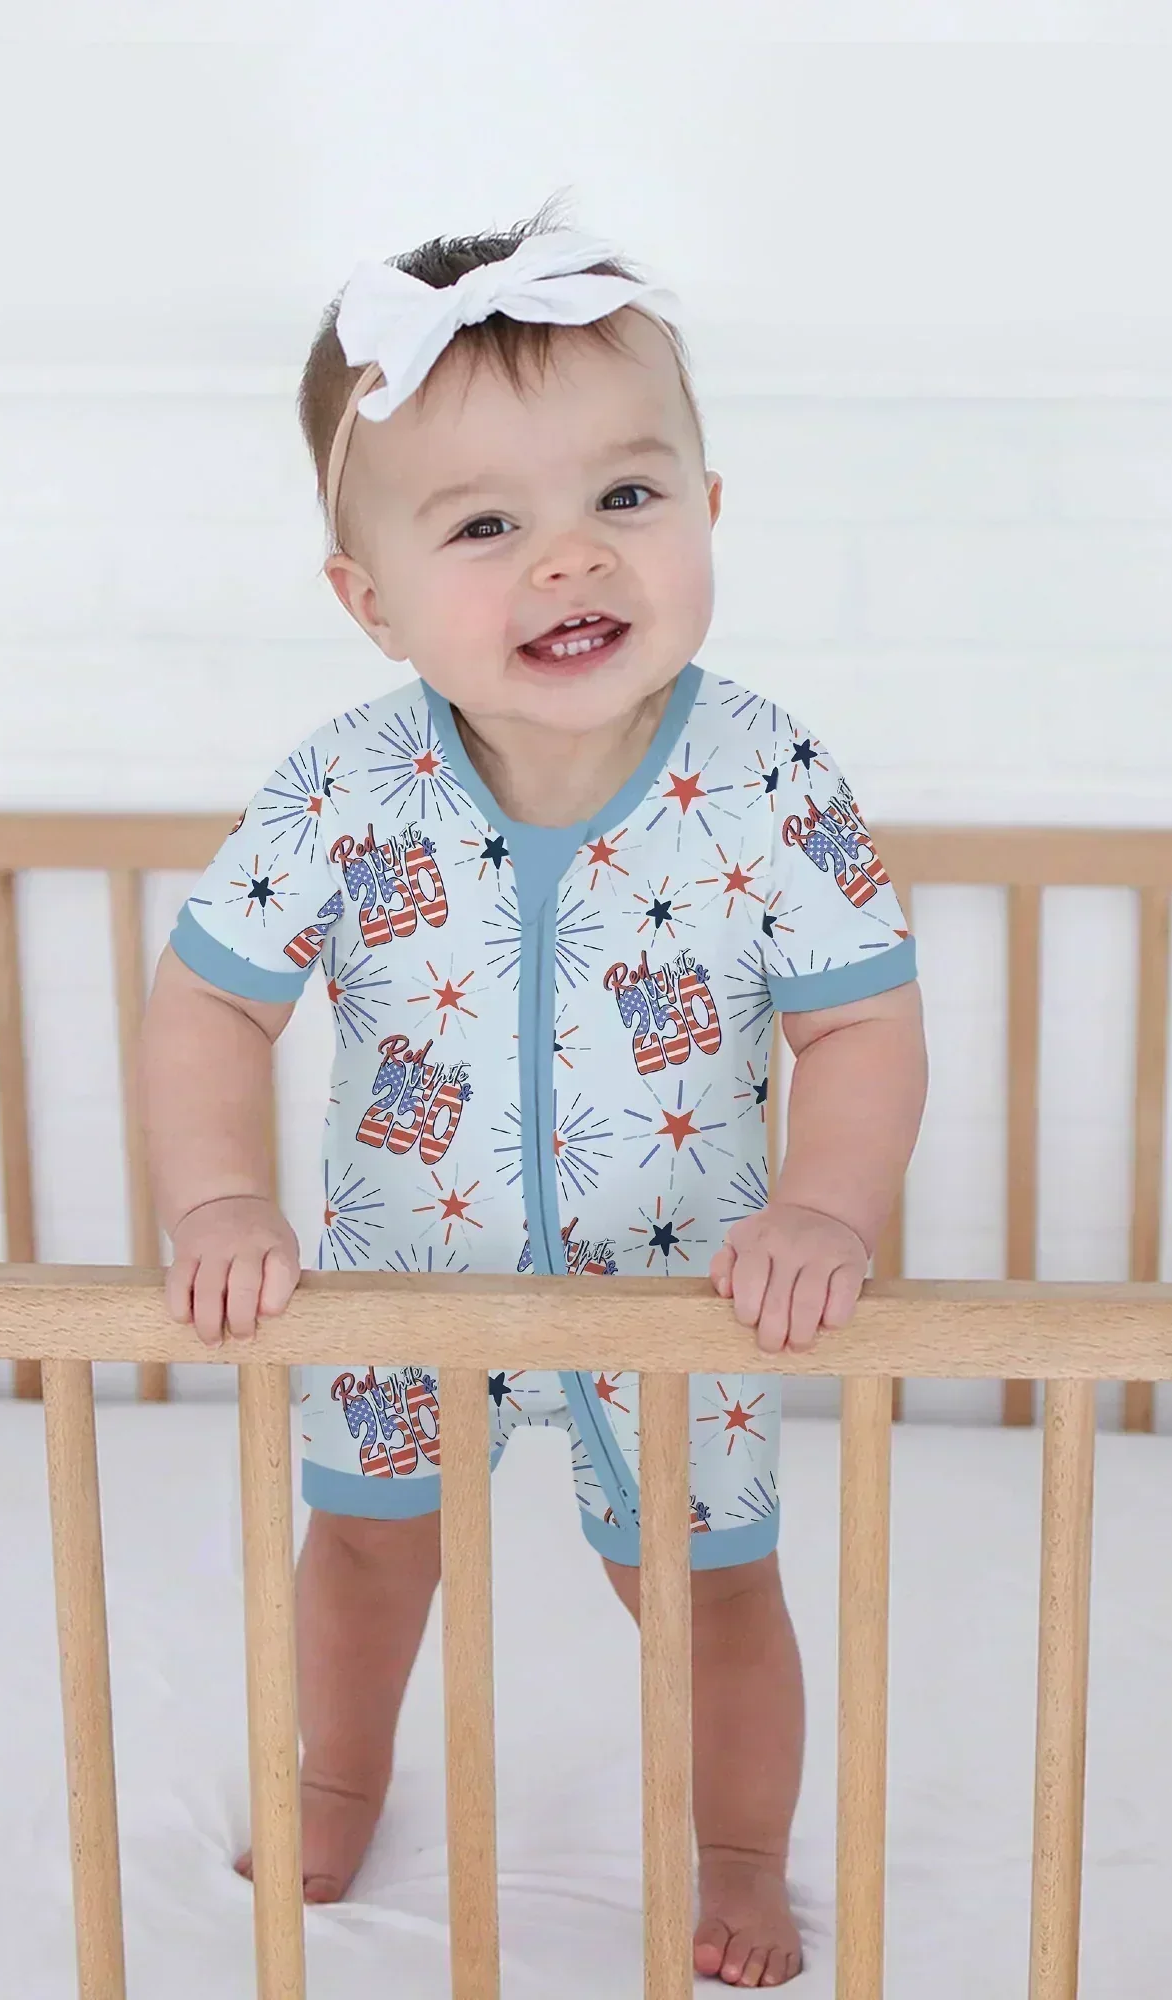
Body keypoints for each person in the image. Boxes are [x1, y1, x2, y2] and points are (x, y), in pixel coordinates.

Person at [139, 198, 928, 1990]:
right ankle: (340, 1780)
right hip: (399, 1275)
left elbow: (865, 1030)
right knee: (363, 1556)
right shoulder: (345, 789)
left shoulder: (767, 778)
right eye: (487, 525)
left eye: (624, 496)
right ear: (371, 601)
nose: (571, 558)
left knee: (711, 1587)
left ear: (708, 510)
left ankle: (741, 1850)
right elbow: (208, 1005)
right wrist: (220, 1200)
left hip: (687, 1290)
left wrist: (824, 1207)